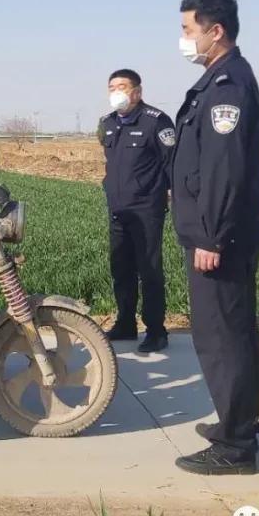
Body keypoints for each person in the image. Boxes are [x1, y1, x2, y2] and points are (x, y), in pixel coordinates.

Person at [170, 0, 259, 475]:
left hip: (219, 239)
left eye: (188, 29)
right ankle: (237, 423)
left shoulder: (227, 86)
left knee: (223, 337)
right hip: (218, 233)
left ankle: (235, 447)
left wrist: (211, 237)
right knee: (231, 333)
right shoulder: (218, 80)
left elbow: (225, 171)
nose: (184, 38)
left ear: (216, 31)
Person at [99, 68, 175, 354]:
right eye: (112, 87)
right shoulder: (107, 124)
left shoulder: (156, 121)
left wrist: (169, 197)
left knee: (149, 270)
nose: (116, 92)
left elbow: (172, 164)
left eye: (122, 86)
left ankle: (156, 330)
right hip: (118, 209)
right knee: (121, 268)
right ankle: (125, 323)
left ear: (137, 92)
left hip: (146, 210)